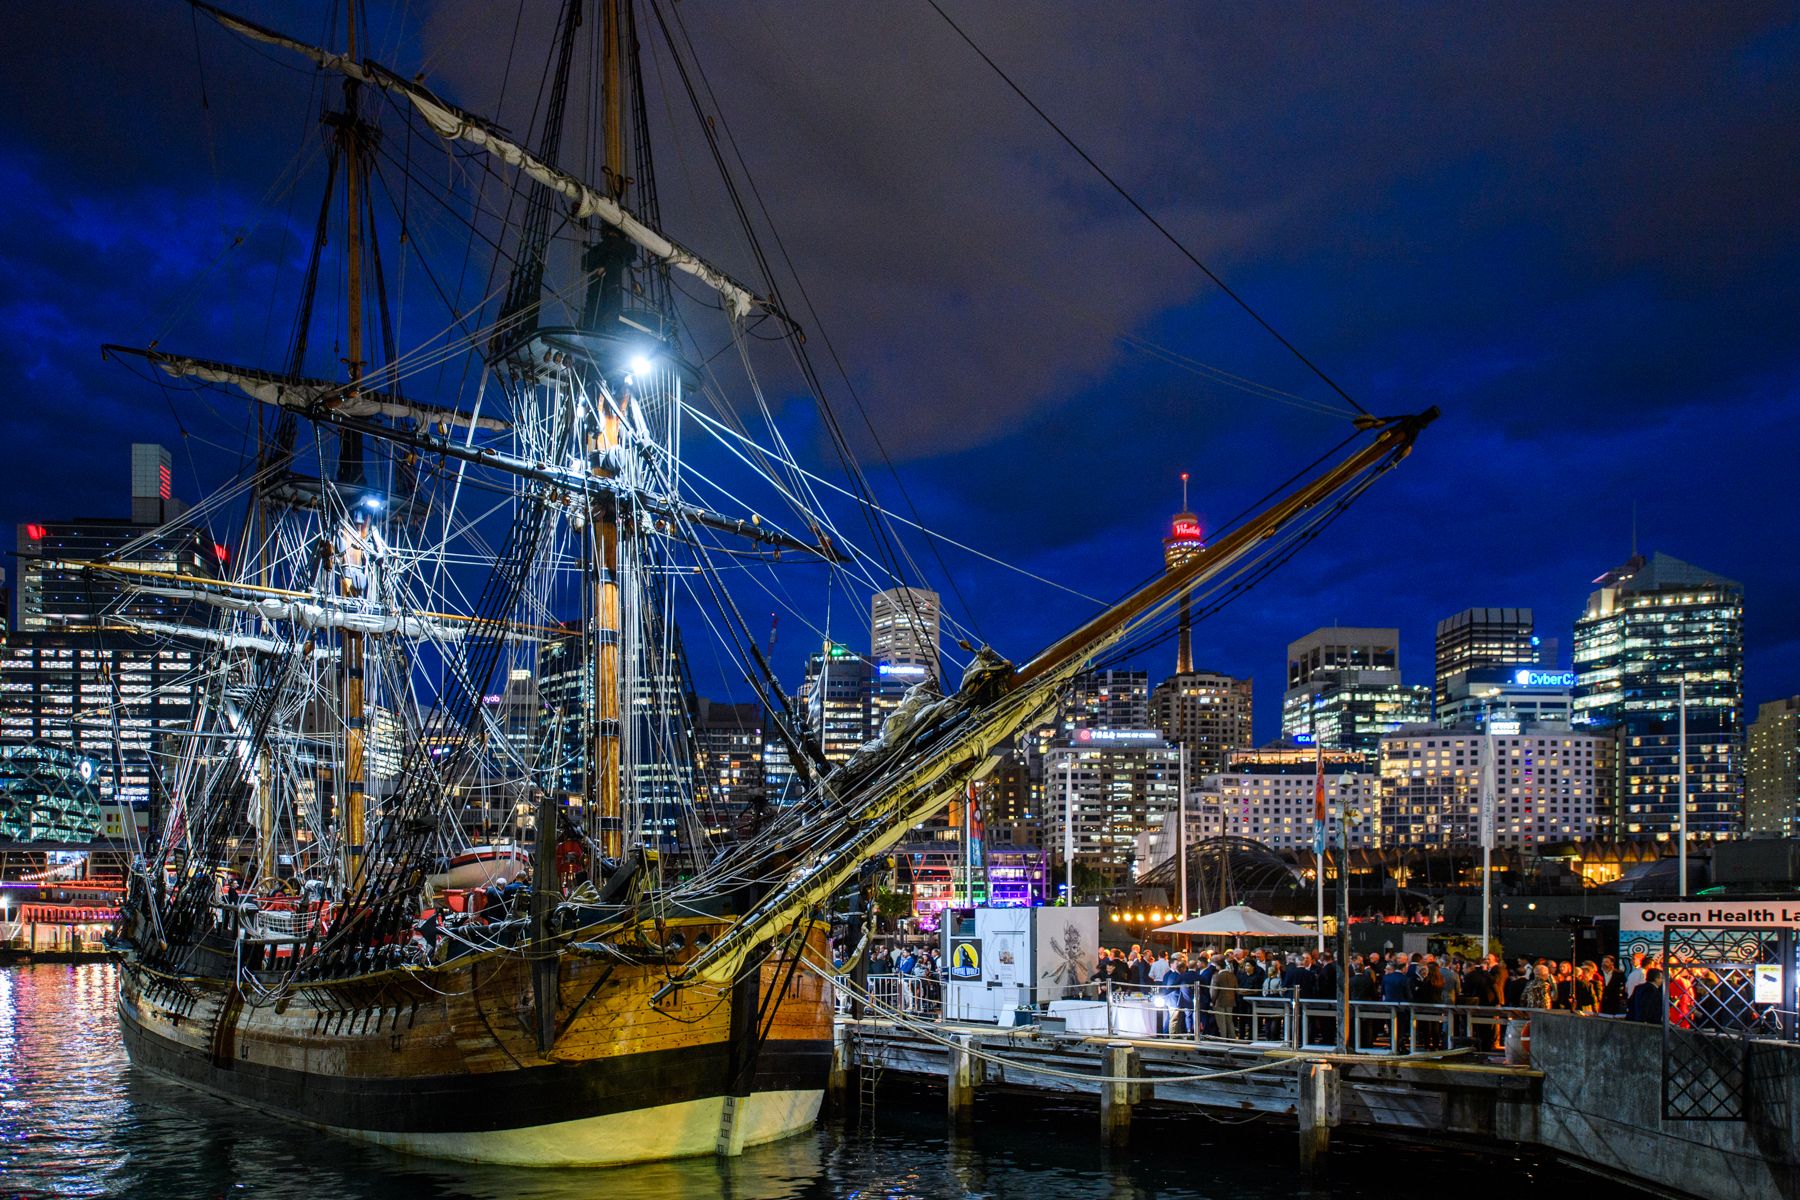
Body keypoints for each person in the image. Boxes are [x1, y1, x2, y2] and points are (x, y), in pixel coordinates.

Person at [1211, 957, 1241, 1039]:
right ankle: (1232, 1038)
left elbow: (1214, 992)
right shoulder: (1233, 976)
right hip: (1231, 1001)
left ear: (1218, 966)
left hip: (1219, 1002)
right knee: (1229, 1021)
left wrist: (1212, 1002)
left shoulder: (1216, 976)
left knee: (1221, 1022)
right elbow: (1236, 989)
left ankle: (1223, 1039)